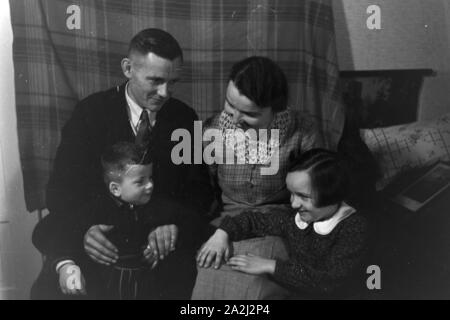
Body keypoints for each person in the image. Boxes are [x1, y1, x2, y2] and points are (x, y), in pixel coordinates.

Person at [31, 28, 213, 299]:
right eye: (155, 80)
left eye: (173, 82)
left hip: (161, 249)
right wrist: (84, 231)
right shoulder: (90, 113)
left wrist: (175, 226)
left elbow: (200, 193)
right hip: (100, 243)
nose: (165, 93)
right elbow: (61, 192)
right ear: (128, 68)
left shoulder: (184, 119)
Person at [191, 56, 321, 299]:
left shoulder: (303, 131)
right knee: (210, 274)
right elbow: (203, 191)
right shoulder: (212, 131)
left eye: (249, 113)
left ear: (276, 109)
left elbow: (316, 196)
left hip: (280, 226)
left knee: (254, 286)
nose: (235, 118)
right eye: (230, 104)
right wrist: (214, 232)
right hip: (224, 224)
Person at [197, 149, 370, 299]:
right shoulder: (294, 218)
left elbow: (328, 281)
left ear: (332, 194)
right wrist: (221, 234)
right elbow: (254, 220)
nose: (294, 204)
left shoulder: (354, 227)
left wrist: (269, 265)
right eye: (292, 194)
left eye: (303, 197)